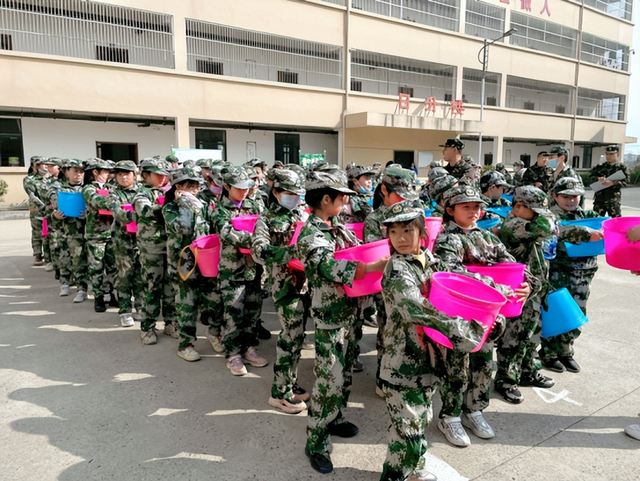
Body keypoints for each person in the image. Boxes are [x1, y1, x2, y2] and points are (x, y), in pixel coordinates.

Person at [379, 200, 485, 481]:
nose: (400, 238)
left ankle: (414, 470)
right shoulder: (397, 268)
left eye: (407, 230)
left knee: (421, 420)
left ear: (422, 232)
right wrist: (460, 328)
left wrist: (502, 291)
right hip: (402, 364)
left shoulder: (431, 261)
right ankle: (394, 476)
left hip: (429, 360)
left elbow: (464, 280)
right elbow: (414, 308)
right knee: (407, 432)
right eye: (393, 232)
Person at [298, 171, 387, 474]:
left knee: (345, 373)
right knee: (329, 380)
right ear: (326, 199)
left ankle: (336, 418)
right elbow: (330, 266)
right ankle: (316, 442)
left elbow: (356, 248)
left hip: (349, 311)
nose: (346, 202)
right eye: (341, 197)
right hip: (330, 318)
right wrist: (373, 266)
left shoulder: (335, 227)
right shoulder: (311, 234)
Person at [435, 186, 524, 447]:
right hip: (461, 314)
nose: (474, 211)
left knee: (484, 363)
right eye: (466, 207)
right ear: (450, 210)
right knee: (457, 366)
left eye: (477, 207)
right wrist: (495, 285)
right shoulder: (447, 239)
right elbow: (453, 272)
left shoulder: (487, 236)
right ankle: (450, 415)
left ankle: (474, 410)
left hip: (488, 313)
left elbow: (510, 264)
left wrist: (526, 284)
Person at [252, 169, 310, 414]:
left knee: (298, 337)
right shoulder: (266, 219)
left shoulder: (302, 214)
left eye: (297, 193)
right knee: (290, 337)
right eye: (289, 193)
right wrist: (292, 252)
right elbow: (259, 252)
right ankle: (280, 393)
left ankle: (290, 382)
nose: (294, 197)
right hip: (284, 285)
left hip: (305, 283)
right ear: (275, 192)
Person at [495, 186, 556, 404]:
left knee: (532, 335)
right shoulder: (513, 225)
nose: (540, 216)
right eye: (536, 211)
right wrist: (549, 216)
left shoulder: (527, 222)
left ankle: (528, 371)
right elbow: (548, 228)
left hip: (533, 289)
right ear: (519, 206)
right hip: (519, 291)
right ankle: (506, 381)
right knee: (514, 339)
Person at [539, 178, 603, 373]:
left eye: (575, 196)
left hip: (584, 273)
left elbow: (607, 226)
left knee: (576, 313)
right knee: (556, 312)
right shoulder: (549, 216)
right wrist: (585, 233)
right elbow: (556, 230)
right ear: (555, 196)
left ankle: (566, 351)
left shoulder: (588, 215)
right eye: (566, 196)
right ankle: (549, 353)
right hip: (559, 272)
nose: (571, 200)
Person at [210, 166, 267, 375]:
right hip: (232, 269)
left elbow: (264, 225)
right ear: (227, 186)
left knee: (253, 311)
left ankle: (248, 347)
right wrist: (257, 239)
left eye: (246, 187)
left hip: (253, 267)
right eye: (239, 188)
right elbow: (228, 234)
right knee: (233, 313)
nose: (244, 192)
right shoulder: (220, 210)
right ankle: (233, 354)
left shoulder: (253, 205)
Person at [163, 165, 218, 361]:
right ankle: (185, 344)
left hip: (205, 260)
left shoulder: (203, 204)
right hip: (184, 264)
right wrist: (184, 205)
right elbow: (184, 228)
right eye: (190, 185)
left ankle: (214, 332)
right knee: (187, 304)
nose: (195, 188)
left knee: (213, 299)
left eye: (197, 184)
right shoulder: (171, 208)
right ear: (178, 187)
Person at [133, 158, 177, 345]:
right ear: (145, 175)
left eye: (165, 175)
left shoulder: (169, 191)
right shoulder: (141, 194)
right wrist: (168, 205)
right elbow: (146, 211)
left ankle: (170, 322)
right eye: (158, 175)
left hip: (170, 246)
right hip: (151, 248)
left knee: (170, 288)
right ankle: (148, 327)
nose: (162, 178)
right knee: (152, 288)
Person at [107, 161, 142, 328]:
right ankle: (125, 311)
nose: (123, 177)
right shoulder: (113, 194)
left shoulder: (143, 191)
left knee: (141, 275)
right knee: (125, 275)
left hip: (141, 240)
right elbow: (118, 213)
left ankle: (140, 307)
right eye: (119, 174)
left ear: (134, 175)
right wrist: (142, 215)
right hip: (122, 240)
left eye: (127, 174)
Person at [82, 158, 117, 313]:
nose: (108, 175)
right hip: (95, 234)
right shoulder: (88, 189)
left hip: (112, 232)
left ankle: (112, 293)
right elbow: (95, 201)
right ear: (95, 172)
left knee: (113, 266)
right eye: (105, 171)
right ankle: (98, 296)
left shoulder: (111, 187)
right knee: (96, 267)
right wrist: (113, 202)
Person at [52, 159, 88, 302]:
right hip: (68, 232)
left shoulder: (88, 189)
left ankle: (85, 288)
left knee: (86, 261)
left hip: (88, 231)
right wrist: (56, 216)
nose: (79, 174)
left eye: (81, 171)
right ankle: (69, 284)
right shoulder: (60, 190)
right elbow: (52, 213)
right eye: (75, 171)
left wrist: (89, 214)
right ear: (66, 172)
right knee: (68, 259)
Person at [588, 145, 630, 218]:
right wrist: (598, 179)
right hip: (600, 200)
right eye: (607, 154)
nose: (608, 156)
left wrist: (613, 183)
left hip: (613, 201)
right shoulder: (600, 166)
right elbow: (590, 178)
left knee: (616, 221)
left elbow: (626, 182)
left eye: (611, 154)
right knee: (597, 220)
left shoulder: (622, 167)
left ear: (617, 154)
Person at [23, 155, 50, 266]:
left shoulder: (50, 179)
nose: (46, 166)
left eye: (47, 164)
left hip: (50, 210)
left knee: (48, 232)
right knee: (37, 232)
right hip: (37, 210)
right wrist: (44, 206)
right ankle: (38, 255)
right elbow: (32, 196)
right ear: (35, 166)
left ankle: (49, 256)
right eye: (43, 164)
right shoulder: (29, 179)